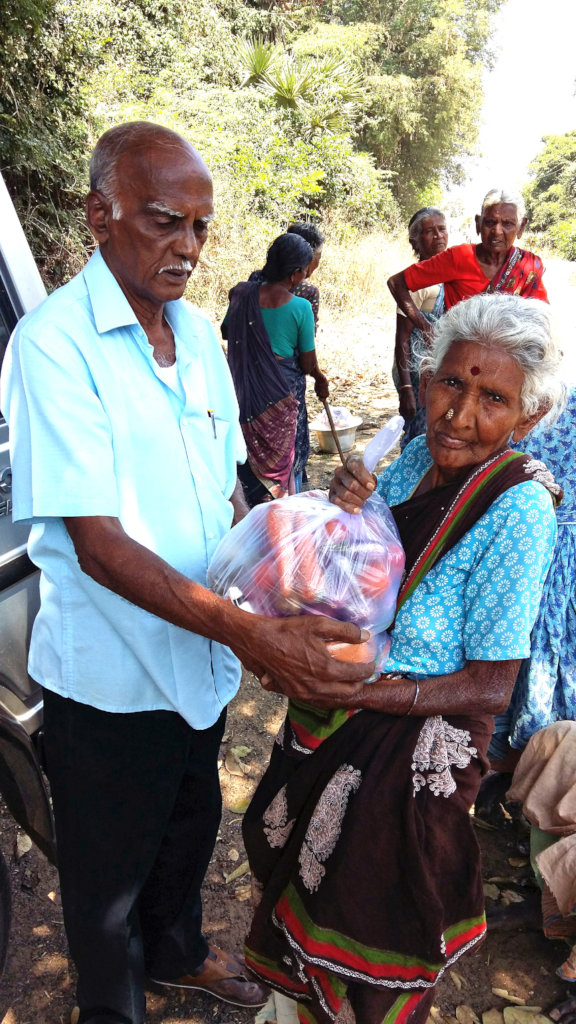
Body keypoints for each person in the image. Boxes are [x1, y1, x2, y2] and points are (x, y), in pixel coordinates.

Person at [0, 121, 374, 1024]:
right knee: (104, 890)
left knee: (187, 831)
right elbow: (100, 544)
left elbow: (222, 496)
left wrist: (305, 536)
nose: (190, 249)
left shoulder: (200, 335)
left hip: (200, 670)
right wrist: (252, 634)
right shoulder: (55, 347)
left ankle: (178, 953)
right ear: (100, 213)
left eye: (202, 228)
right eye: (167, 222)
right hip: (113, 682)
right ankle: (115, 1008)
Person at [241, 293, 563, 1024]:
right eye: (451, 383)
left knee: (371, 934)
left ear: (528, 417)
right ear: (424, 380)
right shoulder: (414, 452)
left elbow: (490, 685)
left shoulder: (518, 508)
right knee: (297, 882)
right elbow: (354, 572)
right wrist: (340, 506)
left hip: (406, 749)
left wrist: (362, 691)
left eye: (492, 398)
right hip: (331, 710)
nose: (459, 414)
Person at [223, 233, 329, 505]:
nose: (305, 277)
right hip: (280, 398)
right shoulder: (301, 307)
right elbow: (307, 363)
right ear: (295, 274)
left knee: (245, 458)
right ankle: (279, 516)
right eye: (305, 272)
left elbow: (226, 331)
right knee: (280, 463)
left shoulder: (241, 294)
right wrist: (319, 377)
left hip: (242, 395)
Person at [388, 189, 548, 344]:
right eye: (490, 222)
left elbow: (541, 319)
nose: (497, 231)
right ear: (478, 224)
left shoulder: (527, 266)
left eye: (507, 224)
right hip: (458, 360)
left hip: (504, 362)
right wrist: (425, 328)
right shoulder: (459, 257)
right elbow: (397, 283)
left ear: (521, 227)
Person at [392, 207, 448, 448]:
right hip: (417, 374)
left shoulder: (451, 272)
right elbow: (402, 338)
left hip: (440, 370)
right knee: (418, 437)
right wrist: (406, 389)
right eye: (429, 232)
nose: (438, 236)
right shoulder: (416, 281)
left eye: (441, 229)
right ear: (415, 241)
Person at [287, 221, 325, 332]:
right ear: (310, 256)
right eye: (319, 257)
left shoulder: (257, 278)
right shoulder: (308, 291)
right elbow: (308, 338)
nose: (318, 263)